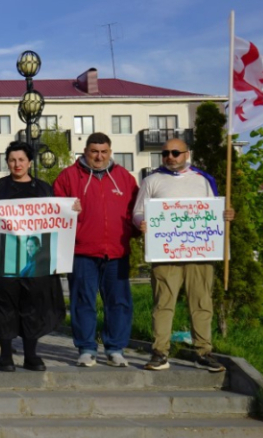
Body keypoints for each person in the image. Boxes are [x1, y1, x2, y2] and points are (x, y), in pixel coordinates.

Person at [133, 138, 234, 372]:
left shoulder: (203, 180)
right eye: (166, 152)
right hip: (164, 253)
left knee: (201, 303)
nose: (170, 156)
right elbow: (138, 211)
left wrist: (227, 214)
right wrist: (141, 222)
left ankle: (203, 352)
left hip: (199, 254)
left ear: (187, 154)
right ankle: (159, 353)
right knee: (163, 303)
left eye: (175, 152)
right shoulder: (151, 180)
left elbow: (215, 212)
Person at [0, 142, 70, 372]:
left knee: (33, 305)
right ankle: (5, 355)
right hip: (4, 258)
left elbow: (56, 218)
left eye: (21, 160)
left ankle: (31, 355)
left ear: (30, 162)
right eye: (12, 160)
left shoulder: (43, 188)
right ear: (7, 162)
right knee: (3, 305)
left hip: (36, 260)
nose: (17, 164)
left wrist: (71, 209)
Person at [54, 132, 139, 368]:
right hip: (82, 251)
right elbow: (55, 210)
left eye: (103, 152)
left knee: (119, 301)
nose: (99, 156)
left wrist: (140, 229)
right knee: (83, 301)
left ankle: (115, 349)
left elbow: (137, 211)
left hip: (117, 251)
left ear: (110, 152)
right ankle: (87, 348)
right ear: (85, 152)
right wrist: (68, 211)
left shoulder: (124, 178)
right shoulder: (69, 177)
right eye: (94, 152)